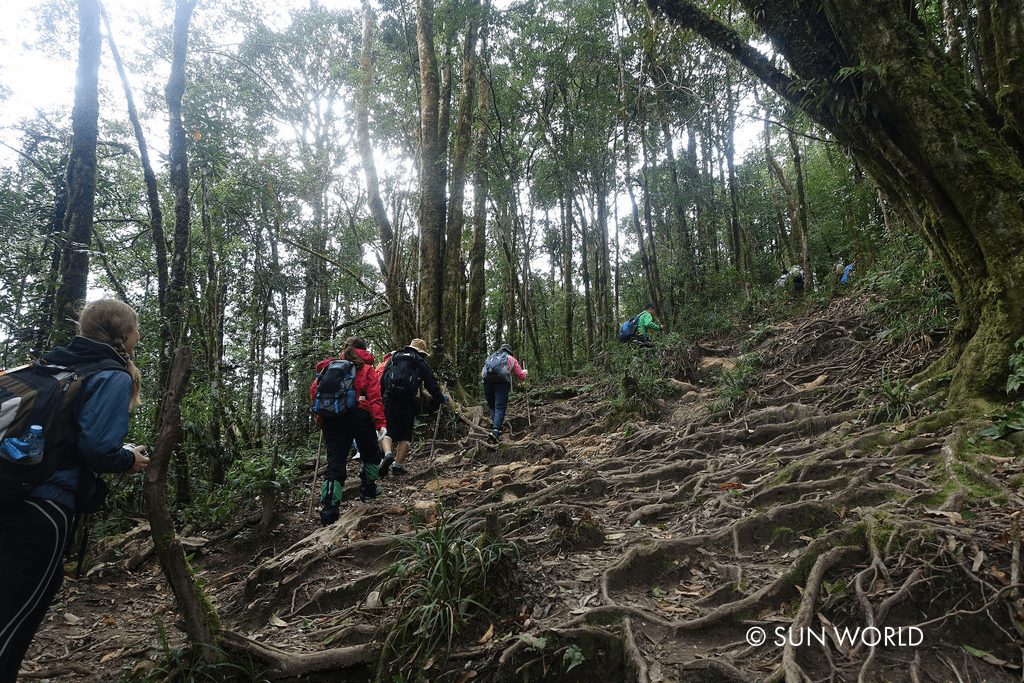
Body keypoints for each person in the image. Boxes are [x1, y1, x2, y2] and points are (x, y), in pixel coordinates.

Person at [0, 299, 149, 683]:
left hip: (8, 494)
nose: (138, 335)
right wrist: (126, 459)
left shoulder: (50, 365)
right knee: (13, 621)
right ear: (124, 335)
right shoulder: (111, 374)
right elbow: (99, 449)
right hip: (43, 509)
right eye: (136, 328)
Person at [311, 336, 388, 522]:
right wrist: (380, 424)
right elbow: (375, 398)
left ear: (345, 347)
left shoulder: (330, 367)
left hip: (332, 418)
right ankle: (368, 490)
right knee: (370, 454)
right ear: (364, 349)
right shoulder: (367, 369)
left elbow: (315, 391)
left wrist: (321, 417)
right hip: (359, 416)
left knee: (334, 464)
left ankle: (329, 511)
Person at [379, 339, 447, 477]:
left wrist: (382, 398)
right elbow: (431, 383)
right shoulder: (419, 361)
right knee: (405, 434)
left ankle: (387, 454)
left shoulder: (394, 357)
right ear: (421, 351)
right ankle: (397, 466)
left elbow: (383, 380)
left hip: (390, 398)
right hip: (408, 400)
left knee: (388, 430)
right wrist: (440, 398)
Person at [481, 344, 528, 443]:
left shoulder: (492, 357)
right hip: (502, 384)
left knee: (492, 407)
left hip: (487, 384)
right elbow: (521, 375)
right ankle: (496, 431)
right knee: (500, 407)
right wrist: (525, 372)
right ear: (509, 351)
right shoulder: (511, 358)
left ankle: (496, 429)